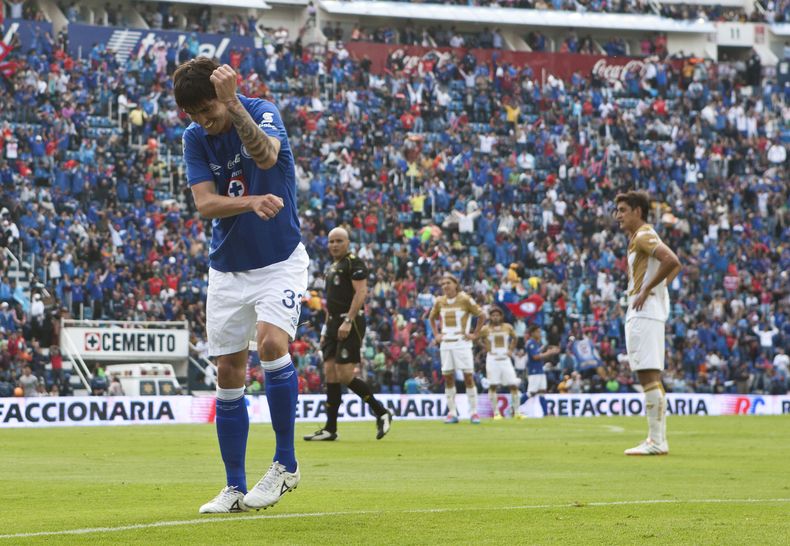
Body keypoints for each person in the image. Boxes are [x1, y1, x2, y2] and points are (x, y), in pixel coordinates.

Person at [175, 57, 308, 513]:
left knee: (272, 344)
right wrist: (251, 201)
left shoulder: (261, 110)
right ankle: (234, 487)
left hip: (279, 260)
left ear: (223, 97)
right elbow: (206, 204)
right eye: (194, 115)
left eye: (208, 111)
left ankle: (285, 464)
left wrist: (233, 105)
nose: (203, 122)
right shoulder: (194, 139)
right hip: (228, 268)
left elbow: (267, 155)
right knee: (228, 373)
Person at [303, 227, 392, 442]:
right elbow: (330, 304)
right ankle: (330, 429)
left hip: (349, 321)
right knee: (330, 373)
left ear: (348, 243)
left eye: (339, 241)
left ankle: (381, 411)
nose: (334, 244)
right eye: (331, 241)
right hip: (333, 323)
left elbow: (361, 292)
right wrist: (325, 330)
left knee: (344, 374)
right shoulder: (332, 266)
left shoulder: (354, 263)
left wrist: (348, 320)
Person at [615, 191, 680, 456]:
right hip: (646, 310)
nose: (618, 215)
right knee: (649, 375)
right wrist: (658, 289)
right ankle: (657, 439)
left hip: (643, 312)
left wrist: (646, 291)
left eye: (622, 210)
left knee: (647, 375)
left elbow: (672, 261)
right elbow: (673, 268)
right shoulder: (638, 238)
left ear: (637, 211)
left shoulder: (643, 235)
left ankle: (656, 441)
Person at [429, 273, 484, 424]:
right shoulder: (439, 301)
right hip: (446, 343)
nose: (445, 286)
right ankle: (452, 412)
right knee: (447, 377)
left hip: (462, 342)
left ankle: (473, 412)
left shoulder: (465, 299)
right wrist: (436, 335)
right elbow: (431, 318)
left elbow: (481, 315)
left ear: (455, 284)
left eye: (448, 283)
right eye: (442, 284)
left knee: (468, 376)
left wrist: (475, 334)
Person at [479, 306, 524, 420]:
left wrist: (510, 350)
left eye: (497, 315)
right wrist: (485, 348)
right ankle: (496, 413)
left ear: (501, 316)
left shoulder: (507, 327)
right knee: (493, 385)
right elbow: (478, 339)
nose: (495, 317)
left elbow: (515, 338)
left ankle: (517, 412)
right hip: (492, 359)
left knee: (513, 384)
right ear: (490, 317)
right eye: (493, 315)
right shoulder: (485, 329)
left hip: (505, 359)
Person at [525, 325, 560, 416]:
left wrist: (548, 349)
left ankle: (545, 414)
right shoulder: (531, 343)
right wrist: (549, 353)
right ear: (532, 333)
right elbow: (535, 357)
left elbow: (539, 353)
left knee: (542, 392)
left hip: (540, 370)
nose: (539, 334)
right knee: (531, 392)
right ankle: (514, 408)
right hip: (534, 371)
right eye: (538, 332)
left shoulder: (536, 343)